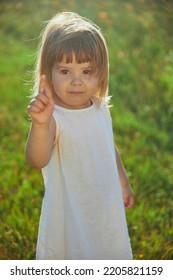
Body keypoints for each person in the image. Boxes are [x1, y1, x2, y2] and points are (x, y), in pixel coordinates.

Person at [25, 11, 135, 260]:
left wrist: (123, 182)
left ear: (101, 73)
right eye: (65, 71)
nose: (77, 81)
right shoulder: (55, 118)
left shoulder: (99, 109)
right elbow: (37, 159)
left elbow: (109, 148)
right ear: (48, 72)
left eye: (87, 72)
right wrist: (40, 125)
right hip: (70, 214)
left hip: (104, 210)